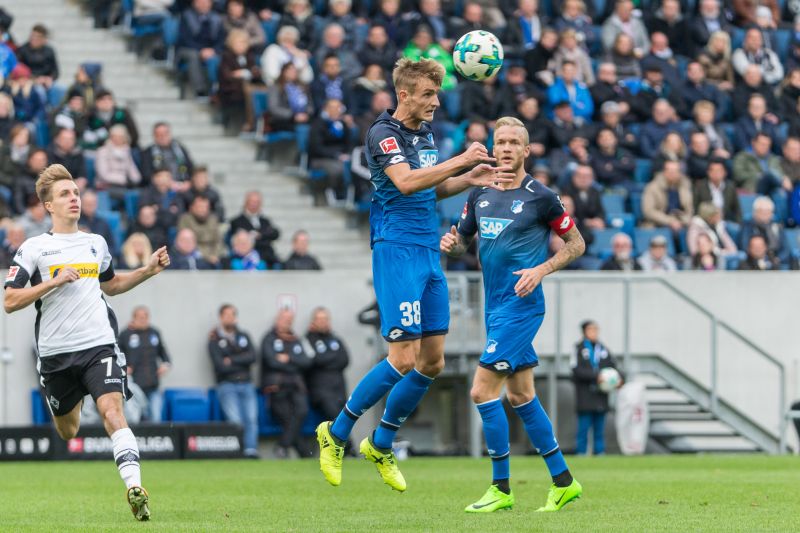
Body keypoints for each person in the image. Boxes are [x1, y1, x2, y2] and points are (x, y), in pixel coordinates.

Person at [316, 58, 512, 492]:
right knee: (402, 358)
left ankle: (381, 442)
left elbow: (430, 187)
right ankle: (336, 432)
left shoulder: (425, 134)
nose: (436, 102)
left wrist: (470, 177)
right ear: (403, 95)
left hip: (427, 250)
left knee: (433, 361)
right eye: (427, 94)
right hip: (397, 249)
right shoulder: (382, 133)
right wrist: (461, 159)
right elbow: (405, 182)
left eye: (437, 94)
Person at [4, 164, 171, 521]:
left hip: (99, 345)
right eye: (65, 194)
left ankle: (135, 487)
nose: (74, 199)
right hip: (56, 354)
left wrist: (146, 271)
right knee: (69, 430)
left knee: (113, 412)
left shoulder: (96, 243)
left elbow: (111, 285)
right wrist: (52, 282)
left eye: (76, 193)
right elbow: (10, 301)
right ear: (48, 205)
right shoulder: (34, 248)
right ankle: (72, 395)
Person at [441, 116, 584, 512]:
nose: (505, 148)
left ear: (526, 150)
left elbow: (576, 243)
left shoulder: (542, 197)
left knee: (481, 391)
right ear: (493, 147)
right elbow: (462, 243)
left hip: (521, 308)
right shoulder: (480, 193)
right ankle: (564, 482)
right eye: (500, 141)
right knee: (521, 395)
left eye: (512, 143)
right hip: (495, 306)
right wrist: (452, 245)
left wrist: (541, 270)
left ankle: (500, 488)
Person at [208, 303, 260, 458]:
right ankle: (238, 451)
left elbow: (253, 357)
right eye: (227, 315)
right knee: (235, 420)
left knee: (251, 419)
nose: (230, 318)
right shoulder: (214, 339)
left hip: (246, 383)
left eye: (232, 315)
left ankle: (250, 451)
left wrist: (231, 360)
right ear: (221, 317)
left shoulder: (243, 336)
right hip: (227, 385)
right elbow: (220, 366)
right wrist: (241, 360)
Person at [262, 308, 311, 458]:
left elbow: (307, 361)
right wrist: (294, 362)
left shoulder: (296, 340)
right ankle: (305, 454)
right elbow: (271, 362)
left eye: (290, 320)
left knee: (302, 411)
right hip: (276, 386)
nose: (287, 322)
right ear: (277, 319)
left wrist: (288, 358)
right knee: (286, 418)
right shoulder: (269, 339)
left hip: (296, 385)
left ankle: (283, 446)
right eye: (284, 319)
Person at [571, 321, 623, 455]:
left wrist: (619, 379)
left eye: (596, 329)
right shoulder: (578, 348)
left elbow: (614, 368)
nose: (594, 332)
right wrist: (596, 376)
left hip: (601, 395)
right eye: (591, 329)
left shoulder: (603, 349)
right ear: (584, 331)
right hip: (585, 395)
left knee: (599, 428)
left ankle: (600, 452)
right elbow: (576, 371)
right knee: (583, 427)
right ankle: (581, 452)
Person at [118, 306, 171, 423]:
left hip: (153, 385)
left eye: (145, 317)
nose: (143, 320)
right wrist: (123, 367)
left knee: (156, 417)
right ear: (134, 318)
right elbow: (117, 355)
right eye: (140, 317)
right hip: (134, 387)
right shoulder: (125, 334)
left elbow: (164, 354)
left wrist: (165, 364)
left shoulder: (154, 333)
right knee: (135, 419)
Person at [305, 307, 350, 443]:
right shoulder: (308, 339)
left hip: (339, 389)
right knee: (336, 420)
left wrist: (325, 360)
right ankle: (349, 447)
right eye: (319, 319)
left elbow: (345, 359)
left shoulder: (335, 338)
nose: (323, 322)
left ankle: (344, 448)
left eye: (325, 319)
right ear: (313, 321)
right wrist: (333, 358)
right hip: (321, 392)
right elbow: (314, 360)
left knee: (344, 419)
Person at [176, 0, 225, 97]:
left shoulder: (217, 18)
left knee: (222, 57)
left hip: (211, 50)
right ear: (194, 3)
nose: (204, 4)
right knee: (193, 56)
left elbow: (221, 39)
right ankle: (200, 91)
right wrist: (201, 50)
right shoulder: (186, 16)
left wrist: (214, 50)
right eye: (200, 2)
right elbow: (185, 39)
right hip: (189, 48)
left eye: (206, 2)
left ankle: (219, 90)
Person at [218, 29, 262, 133]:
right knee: (248, 91)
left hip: (247, 87)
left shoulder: (249, 56)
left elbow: (255, 73)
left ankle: (257, 122)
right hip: (230, 88)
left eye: (244, 43)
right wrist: (244, 74)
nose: (242, 46)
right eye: (239, 43)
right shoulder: (226, 56)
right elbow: (227, 76)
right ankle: (249, 124)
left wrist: (245, 73)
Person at [228, 190, 281, 268]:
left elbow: (275, 234)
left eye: (257, 202)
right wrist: (264, 236)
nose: (254, 204)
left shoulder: (265, 221)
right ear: (246, 202)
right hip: (244, 258)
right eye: (252, 201)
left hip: (267, 257)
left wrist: (260, 235)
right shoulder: (236, 221)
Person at [642, 160, 694, 232]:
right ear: (664, 172)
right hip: (658, 224)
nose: (672, 174)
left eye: (675, 171)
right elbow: (649, 211)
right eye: (670, 171)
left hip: (681, 221)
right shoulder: (652, 187)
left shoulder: (685, 186)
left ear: (679, 173)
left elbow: (689, 210)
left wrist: (684, 220)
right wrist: (670, 221)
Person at [94, 125, 142, 199]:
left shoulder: (126, 151)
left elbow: (132, 169)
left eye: (120, 137)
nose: (117, 139)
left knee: (140, 193)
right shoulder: (103, 151)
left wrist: (135, 179)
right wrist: (123, 179)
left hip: (125, 185)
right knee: (129, 196)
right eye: (115, 136)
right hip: (107, 186)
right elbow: (103, 175)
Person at [140, 122, 195, 186]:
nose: (163, 137)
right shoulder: (148, 153)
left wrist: (188, 182)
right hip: (160, 187)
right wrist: (164, 182)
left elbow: (190, 168)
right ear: (154, 136)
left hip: (183, 184)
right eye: (159, 134)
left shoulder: (180, 150)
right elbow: (147, 175)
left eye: (165, 133)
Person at [177, 194, 224, 266]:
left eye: (206, 207)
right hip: (193, 255)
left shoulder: (213, 220)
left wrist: (215, 255)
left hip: (213, 255)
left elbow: (218, 241)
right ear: (191, 207)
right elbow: (185, 243)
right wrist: (207, 257)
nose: (203, 210)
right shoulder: (185, 220)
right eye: (200, 207)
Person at [693, 158, 742, 223]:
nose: (716, 173)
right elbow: (696, 208)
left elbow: (737, 209)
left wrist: (738, 223)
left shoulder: (730, 187)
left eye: (719, 171)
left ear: (725, 172)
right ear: (708, 172)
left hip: (725, 221)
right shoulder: (700, 187)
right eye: (713, 171)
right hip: (706, 222)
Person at [15, 24, 59, 90]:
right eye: (33, 36)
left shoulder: (49, 51)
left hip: (46, 81)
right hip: (29, 81)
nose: (34, 39)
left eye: (38, 37)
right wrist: (35, 79)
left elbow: (55, 71)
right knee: (39, 90)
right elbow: (19, 70)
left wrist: (50, 78)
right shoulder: (22, 50)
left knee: (59, 89)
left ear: (44, 39)